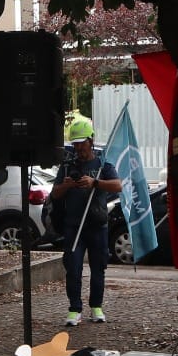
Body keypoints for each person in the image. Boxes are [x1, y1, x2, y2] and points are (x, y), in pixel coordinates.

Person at [49, 117, 121, 326]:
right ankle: (74, 309)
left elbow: (117, 186)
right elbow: (55, 193)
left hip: (97, 225)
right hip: (73, 226)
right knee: (73, 268)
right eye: (75, 144)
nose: (79, 148)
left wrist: (95, 182)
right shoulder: (67, 166)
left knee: (98, 268)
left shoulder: (102, 163)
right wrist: (67, 186)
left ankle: (96, 307)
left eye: (82, 143)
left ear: (91, 140)